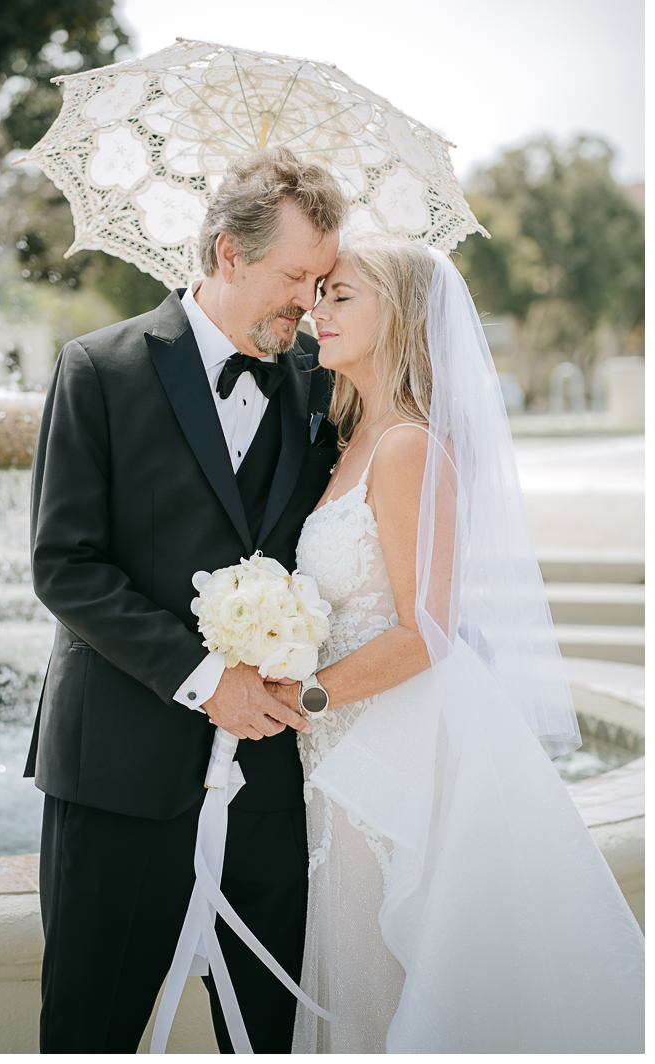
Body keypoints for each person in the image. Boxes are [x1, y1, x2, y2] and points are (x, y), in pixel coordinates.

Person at [265, 236, 645, 1053]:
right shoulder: (349, 440)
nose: (316, 311)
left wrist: (308, 694)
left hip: (392, 739)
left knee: (384, 978)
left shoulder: (405, 446)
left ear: (398, 316)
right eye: (318, 294)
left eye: (341, 296)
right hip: (341, 742)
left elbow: (427, 629)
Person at [25, 146, 348, 1053]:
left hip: (272, 790)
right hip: (120, 775)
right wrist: (208, 677)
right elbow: (65, 565)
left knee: (274, 1038)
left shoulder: (325, 387)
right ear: (227, 254)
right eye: (295, 276)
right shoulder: (99, 368)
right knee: (91, 1031)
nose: (310, 303)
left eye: (324, 281)